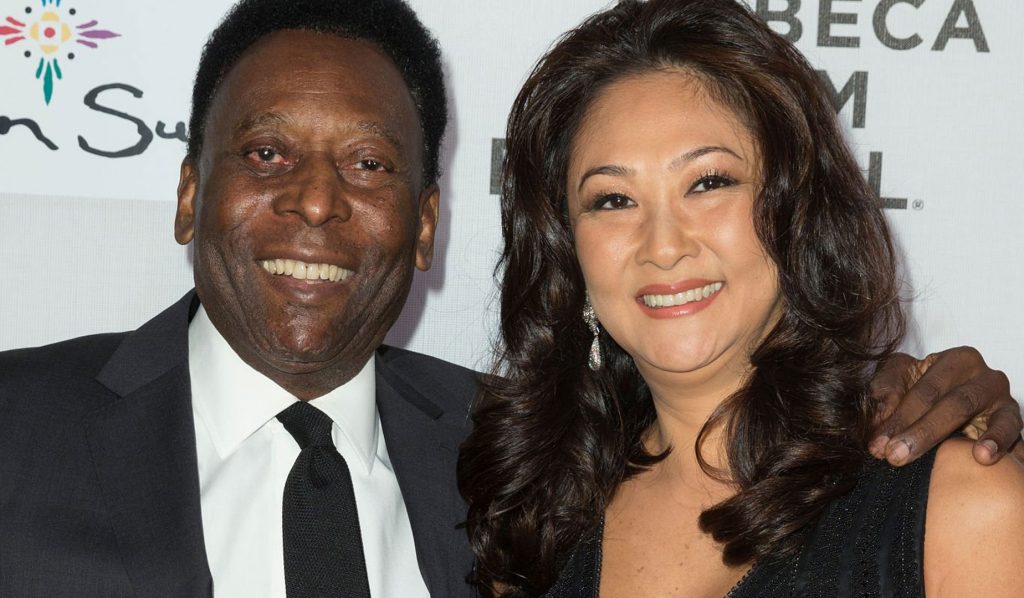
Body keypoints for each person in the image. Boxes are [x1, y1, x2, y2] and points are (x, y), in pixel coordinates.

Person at [0, 0, 1016, 596]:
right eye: (611, 199)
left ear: (427, 224)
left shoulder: (484, 458)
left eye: (709, 181)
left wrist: (904, 400)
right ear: (189, 193)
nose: (314, 201)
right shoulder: (540, 491)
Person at [458, 0, 1024, 596]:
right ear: (567, 248)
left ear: (795, 212)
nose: (663, 246)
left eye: (709, 183)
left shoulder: (962, 506)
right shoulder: (535, 523)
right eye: (613, 200)